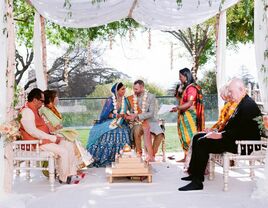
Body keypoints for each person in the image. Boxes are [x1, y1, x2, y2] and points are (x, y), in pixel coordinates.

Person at [178, 78, 261, 191]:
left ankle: (197, 182)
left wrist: (220, 135)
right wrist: (216, 132)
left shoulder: (248, 105)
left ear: (241, 89)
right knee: (199, 136)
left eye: (231, 91)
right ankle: (195, 174)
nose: (229, 94)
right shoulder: (242, 102)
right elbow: (233, 127)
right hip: (234, 139)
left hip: (243, 144)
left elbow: (242, 130)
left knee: (202, 142)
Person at [19, 88, 81, 184]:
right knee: (63, 151)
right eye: (42, 101)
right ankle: (64, 177)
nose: (43, 103)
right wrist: (53, 138)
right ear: (35, 100)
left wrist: (53, 136)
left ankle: (71, 173)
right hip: (36, 143)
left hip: (44, 140)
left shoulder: (35, 110)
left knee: (68, 144)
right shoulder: (27, 112)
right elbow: (33, 132)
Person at [39, 90, 93, 170]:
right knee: (71, 139)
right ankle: (75, 165)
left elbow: (56, 123)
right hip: (52, 134)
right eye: (56, 96)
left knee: (73, 137)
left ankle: (80, 164)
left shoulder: (52, 109)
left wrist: (58, 127)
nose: (57, 98)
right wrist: (56, 128)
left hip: (58, 131)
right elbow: (49, 126)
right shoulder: (44, 110)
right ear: (51, 99)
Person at [86, 82, 132, 167]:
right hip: (109, 121)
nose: (124, 91)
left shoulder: (125, 100)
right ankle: (103, 157)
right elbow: (104, 115)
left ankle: (123, 158)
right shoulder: (110, 100)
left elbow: (129, 112)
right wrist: (116, 115)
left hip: (122, 122)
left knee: (123, 132)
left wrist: (125, 116)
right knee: (106, 132)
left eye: (125, 89)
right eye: (122, 89)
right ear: (117, 90)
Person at [170, 68, 205, 163]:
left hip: (190, 117)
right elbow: (179, 98)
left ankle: (193, 158)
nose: (179, 78)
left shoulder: (192, 88)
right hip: (183, 116)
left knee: (190, 137)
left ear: (186, 76)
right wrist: (179, 89)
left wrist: (177, 108)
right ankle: (186, 157)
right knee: (184, 137)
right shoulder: (186, 87)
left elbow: (189, 103)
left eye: (180, 76)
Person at [126, 80, 164, 162]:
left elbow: (151, 113)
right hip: (137, 122)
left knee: (160, 135)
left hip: (150, 122)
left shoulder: (151, 97)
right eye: (134, 89)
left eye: (136, 89)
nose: (134, 91)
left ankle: (151, 155)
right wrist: (130, 116)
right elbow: (129, 111)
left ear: (142, 88)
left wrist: (137, 115)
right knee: (136, 131)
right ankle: (138, 154)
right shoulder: (131, 98)